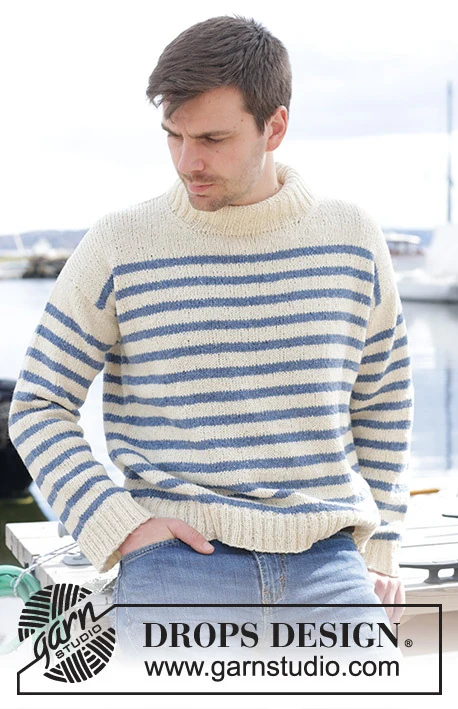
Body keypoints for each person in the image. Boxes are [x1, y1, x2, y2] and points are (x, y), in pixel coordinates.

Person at [8, 16, 413, 662]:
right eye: (174, 135)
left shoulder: (352, 237)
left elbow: (383, 400)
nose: (187, 161)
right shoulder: (120, 243)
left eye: (212, 139)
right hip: (175, 560)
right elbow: (38, 404)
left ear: (274, 127)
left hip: (329, 561)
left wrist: (381, 547)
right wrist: (118, 526)